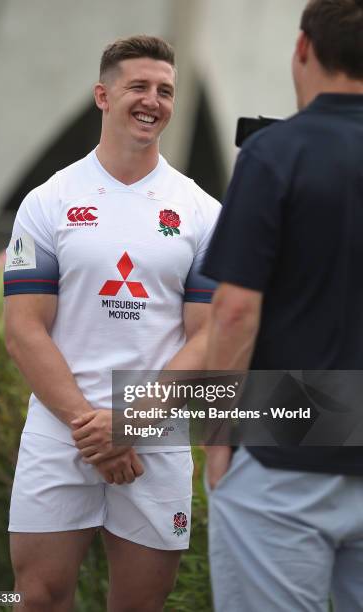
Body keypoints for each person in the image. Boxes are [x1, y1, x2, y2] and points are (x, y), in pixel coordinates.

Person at [3, 35, 220, 611]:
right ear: (103, 95)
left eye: (166, 91)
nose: (153, 101)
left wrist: (132, 420)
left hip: (155, 433)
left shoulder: (202, 211)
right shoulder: (47, 202)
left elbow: (207, 337)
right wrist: (93, 427)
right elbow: (24, 329)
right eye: (139, 87)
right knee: (39, 598)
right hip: (60, 427)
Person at [201, 1, 363, 610]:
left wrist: (218, 435)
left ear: (302, 48)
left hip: (282, 452)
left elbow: (234, 312)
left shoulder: (277, 152)